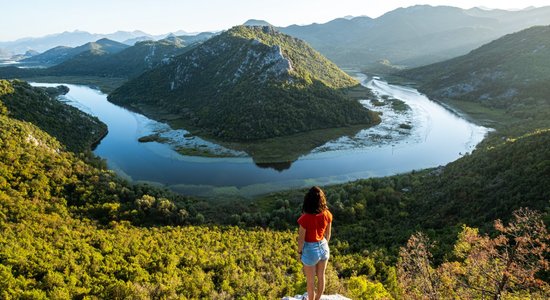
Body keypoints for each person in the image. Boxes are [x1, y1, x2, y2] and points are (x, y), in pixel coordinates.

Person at [297, 186, 333, 300]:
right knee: (321, 276)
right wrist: (323, 244)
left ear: (308, 201)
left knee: (310, 281)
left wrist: (299, 252)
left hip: (310, 250)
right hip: (323, 246)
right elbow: (328, 235)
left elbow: (301, 240)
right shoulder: (327, 214)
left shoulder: (305, 218)